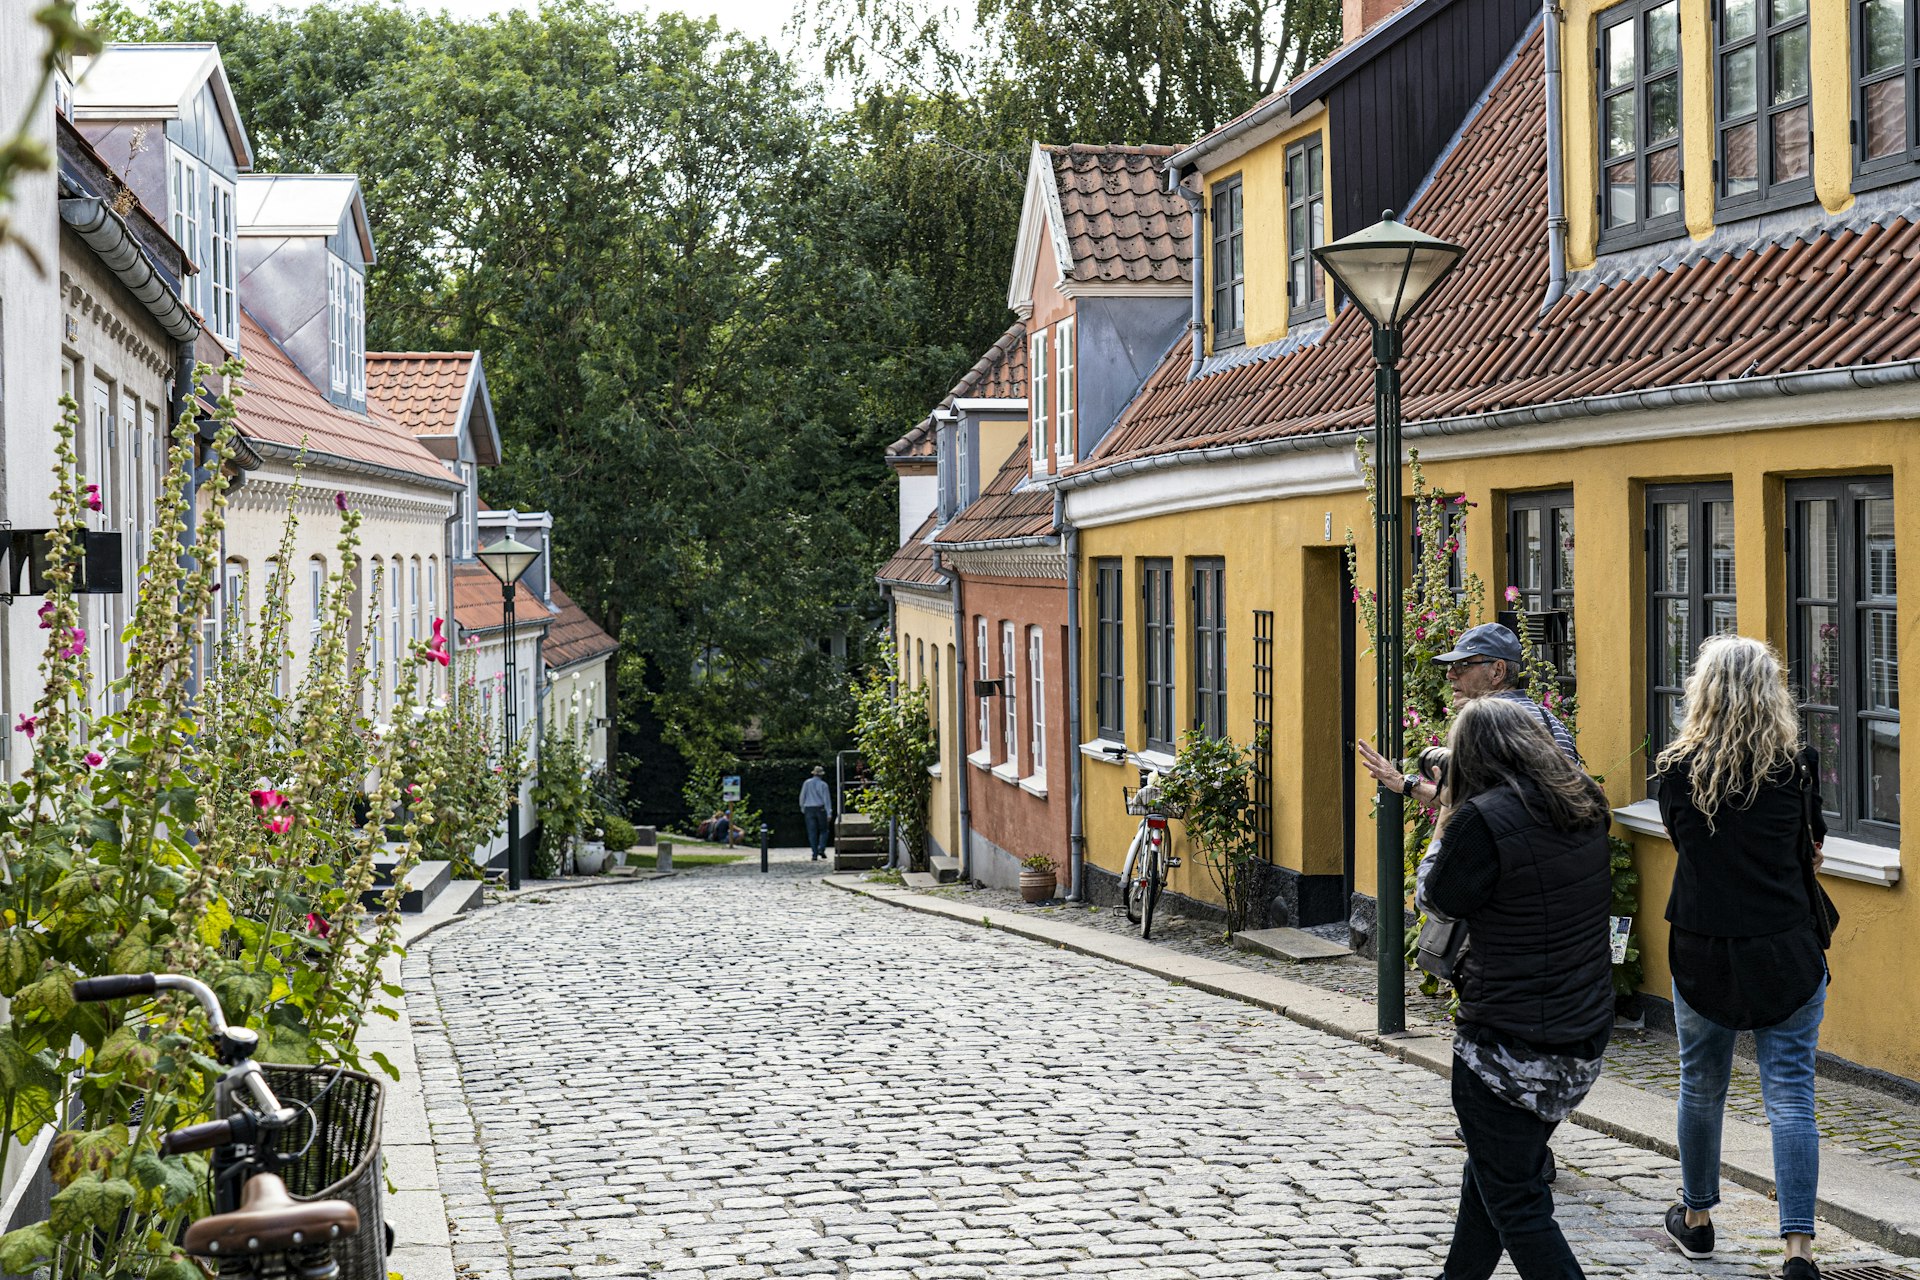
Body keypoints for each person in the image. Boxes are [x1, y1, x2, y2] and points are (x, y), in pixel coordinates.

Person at [1418, 696, 1614, 1280]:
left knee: (1518, 1204)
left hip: (1506, 1045)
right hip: (1580, 1032)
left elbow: (1436, 898)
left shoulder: (1481, 820)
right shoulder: (1584, 802)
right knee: (1493, 1179)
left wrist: (1448, 812)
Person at [1653, 636, 1829, 1280]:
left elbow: (1686, 846)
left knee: (1701, 1085)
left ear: (1703, 692)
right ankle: (1798, 1250)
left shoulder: (1677, 771)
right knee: (1791, 1094)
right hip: (1786, 946)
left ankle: (1697, 1222)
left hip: (1703, 949)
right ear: (1770, 692)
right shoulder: (1798, 766)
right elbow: (1813, 853)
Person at [1358, 623, 1578, 808]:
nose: (1450, 674)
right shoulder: (1552, 722)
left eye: (1463, 664)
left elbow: (1462, 801)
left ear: (1497, 671)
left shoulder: (1486, 724)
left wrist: (1401, 782)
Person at [800, 765, 833, 861]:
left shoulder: (807, 783)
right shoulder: (823, 785)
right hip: (820, 808)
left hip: (809, 808)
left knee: (812, 832)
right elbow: (826, 800)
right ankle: (821, 848)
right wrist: (829, 812)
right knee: (824, 830)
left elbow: (802, 796)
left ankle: (814, 853)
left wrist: (803, 807)